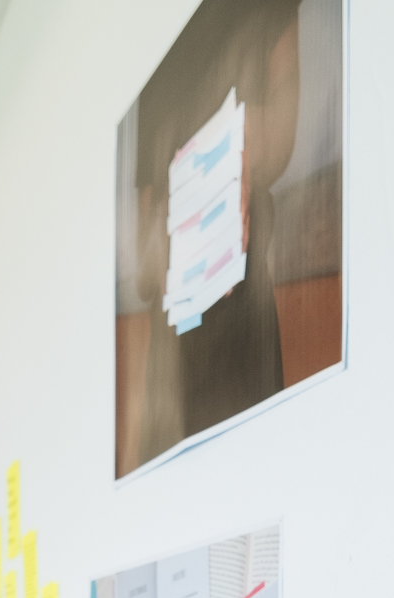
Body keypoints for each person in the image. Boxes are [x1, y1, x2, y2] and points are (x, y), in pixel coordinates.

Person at [129, 0, 303, 471]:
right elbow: (142, 267)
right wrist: (168, 231)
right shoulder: (147, 65)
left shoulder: (263, 12)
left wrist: (241, 148)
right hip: (172, 369)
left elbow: (283, 128)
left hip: (242, 329)